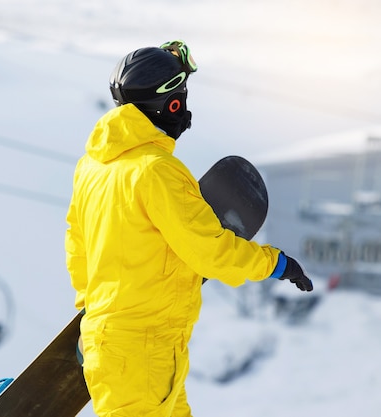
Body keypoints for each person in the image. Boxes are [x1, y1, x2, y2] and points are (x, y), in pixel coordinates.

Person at [64, 40, 313, 417]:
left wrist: (94, 315)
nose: (185, 109)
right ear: (168, 104)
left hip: (124, 343)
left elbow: (78, 248)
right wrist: (275, 264)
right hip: (145, 349)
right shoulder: (157, 171)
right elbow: (210, 253)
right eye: (181, 98)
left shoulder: (93, 167)